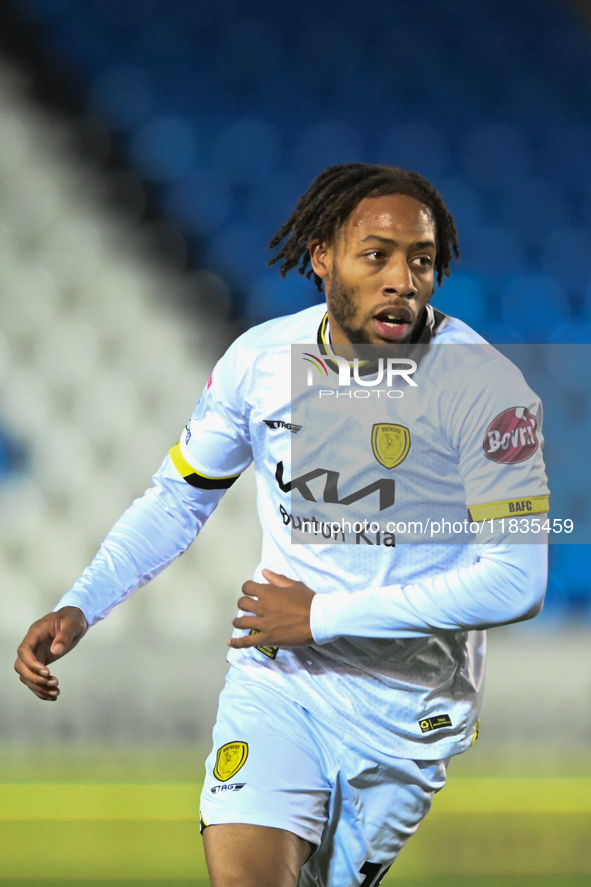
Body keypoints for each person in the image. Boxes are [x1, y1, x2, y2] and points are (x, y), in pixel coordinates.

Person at [15, 164, 549, 887]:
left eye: (421, 260)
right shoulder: (259, 361)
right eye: (376, 255)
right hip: (280, 683)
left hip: (406, 708)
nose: (403, 279)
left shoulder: (485, 390)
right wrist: (84, 600)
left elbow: (516, 580)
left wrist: (320, 615)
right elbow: (178, 497)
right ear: (322, 255)